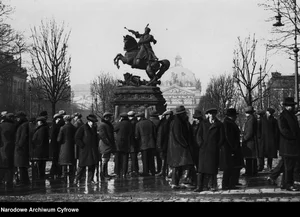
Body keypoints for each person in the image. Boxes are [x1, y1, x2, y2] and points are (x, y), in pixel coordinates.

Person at [194, 108, 224, 192]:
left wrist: (217, 146)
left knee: (212, 169)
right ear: (208, 115)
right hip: (203, 149)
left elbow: (222, 137)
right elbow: (198, 135)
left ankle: (212, 185)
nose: (213, 116)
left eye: (214, 114)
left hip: (213, 150)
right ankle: (200, 186)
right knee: (201, 169)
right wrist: (201, 144)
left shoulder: (219, 124)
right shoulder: (203, 123)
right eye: (211, 114)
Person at [167, 105, 194, 189]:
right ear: (181, 114)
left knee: (178, 166)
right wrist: (185, 144)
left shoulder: (177, 121)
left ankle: (176, 182)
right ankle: (183, 181)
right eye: (184, 114)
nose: (185, 115)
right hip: (179, 147)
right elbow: (178, 136)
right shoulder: (177, 123)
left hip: (177, 147)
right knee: (183, 164)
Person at [277, 97, 300, 191]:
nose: (293, 107)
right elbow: (284, 131)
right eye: (291, 106)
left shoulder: (292, 116)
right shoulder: (283, 116)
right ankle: (288, 184)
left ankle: (285, 183)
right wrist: (294, 136)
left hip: (293, 146)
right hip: (287, 145)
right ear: (286, 106)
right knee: (289, 167)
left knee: (290, 166)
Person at [220, 108, 243, 190]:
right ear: (232, 116)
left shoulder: (229, 122)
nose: (236, 117)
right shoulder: (227, 123)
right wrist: (233, 148)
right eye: (235, 115)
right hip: (229, 149)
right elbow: (229, 137)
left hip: (231, 148)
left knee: (232, 166)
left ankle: (231, 183)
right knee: (228, 167)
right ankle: (227, 184)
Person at [74, 114, 99, 185]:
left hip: (92, 149)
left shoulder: (94, 128)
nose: (93, 123)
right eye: (92, 122)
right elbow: (77, 138)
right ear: (89, 121)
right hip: (84, 150)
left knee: (92, 165)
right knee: (81, 165)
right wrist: (82, 145)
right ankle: (77, 179)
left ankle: (90, 180)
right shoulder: (83, 128)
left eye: (94, 122)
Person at [135, 111, 156, 176]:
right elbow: (154, 133)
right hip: (151, 143)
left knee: (144, 158)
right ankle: (152, 170)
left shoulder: (138, 124)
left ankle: (145, 171)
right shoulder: (150, 122)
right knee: (151, 158)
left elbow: (137, 135)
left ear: (140, 117)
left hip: (143, 144)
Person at [0, 113, 17, 189]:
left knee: (2, 165)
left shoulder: (1, 126)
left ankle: (2, 180)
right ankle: (9, 181)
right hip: (12, 148)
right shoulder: (14, 126)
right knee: (10, 166)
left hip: (2, 148)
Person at [14, 111, 30, 186]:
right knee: (22, 166)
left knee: (21, 165)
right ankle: (25, 180)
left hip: (21, 149)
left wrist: (19, 145)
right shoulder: (24, 125)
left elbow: (23, 137)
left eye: (18, 117)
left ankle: (23, 181)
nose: (17, 119)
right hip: (22, 148)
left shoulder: (23, 125)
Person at [260, 108, 279, 172]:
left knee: (270, 155)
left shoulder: (274, 120)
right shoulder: (262, 119)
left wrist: (275, 138)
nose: (269, 114)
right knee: (262, 153)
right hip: (264, 139)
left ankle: (269, 166)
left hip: (270, 140)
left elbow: (276, 131)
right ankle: (261, 166)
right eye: (268, 112)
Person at [114, 112, 133, 178]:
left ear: (121, 117)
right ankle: (124, 172)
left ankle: (117, 172)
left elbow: (114, 129)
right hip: (127, 142)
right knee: (125, 158)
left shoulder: (120, 123)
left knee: (117, 158)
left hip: (119, 143)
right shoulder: (130, 124)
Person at [156, 110, 174, 178]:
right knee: (167, 158)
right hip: (168, 143)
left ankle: (164, 171)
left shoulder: (163, 123)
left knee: (164, 158)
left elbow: (160, 135)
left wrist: (159, 145)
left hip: (165, 143)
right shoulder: (171, 122)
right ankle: (166, 171)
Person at [242, 106, 258, 176]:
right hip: (252, 141)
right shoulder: (252, 118)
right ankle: (253, 171)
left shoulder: (250, 119)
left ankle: (249, 172)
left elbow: (250, 132)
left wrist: (244, 139)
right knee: (252, 157)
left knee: (249, 157)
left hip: (250, 142)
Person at [98, 112, 115, 179]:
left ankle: (105, 173)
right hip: (104, 145)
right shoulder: (103, 125)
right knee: (104, 160)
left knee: (106, 159)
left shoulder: (107, 124)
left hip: (107, 144)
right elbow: (103, 136)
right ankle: (103, 174)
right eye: (109, 117)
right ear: (106, 117)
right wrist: (109, 143)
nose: (111, 118)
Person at [49, 113, 64, 178]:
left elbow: (52, 135)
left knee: (55, 159)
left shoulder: (55, 126)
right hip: (59, 145)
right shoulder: (61, 125)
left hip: (55, 145)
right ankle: (58, 172)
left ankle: (54, 172)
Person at [149, 110, 162, 174]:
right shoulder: (160, 122)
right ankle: (159, 169)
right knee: (159, 157)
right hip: (159, 141)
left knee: (151, 157)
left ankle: (152, 170)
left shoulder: (149, 122)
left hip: (151, 142)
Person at [127, 111, 139, 177]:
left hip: (132, 142)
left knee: (133, 156)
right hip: (135, 142)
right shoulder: (136, 121)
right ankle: (135, 169)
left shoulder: (131, 123)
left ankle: (133, 170)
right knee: (134, 156)